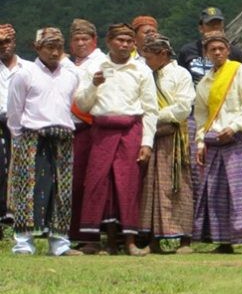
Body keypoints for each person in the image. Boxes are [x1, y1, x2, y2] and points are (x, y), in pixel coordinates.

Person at [74, 23, 158, 255]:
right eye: (120, 40)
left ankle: (130, 242)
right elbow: (82, 104)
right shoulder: (94, 68)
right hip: (101, 133)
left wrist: (147, 143)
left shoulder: (141, 70)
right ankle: (102, 242)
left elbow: (151, 109)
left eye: (129, 41)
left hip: (130, 131)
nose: (124, 44)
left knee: (127, 184)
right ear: (109, 42)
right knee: (100, 184)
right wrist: (94, 85)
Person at [193, 31, 242, 254]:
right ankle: (224, 241)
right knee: (217, 192)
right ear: (205, 54)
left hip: (236, 138)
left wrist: (234, 127)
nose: (217, 52)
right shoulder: (204, 83)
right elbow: (201, 115)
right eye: (212, 49)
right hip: (214, 140)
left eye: (221, 48)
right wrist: (200, 142)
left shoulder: (240, 71)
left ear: (227, 51)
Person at [6, 28, 80, 255]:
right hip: (32, 136)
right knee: (28, 190)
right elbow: (14, 110)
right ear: (37, 48)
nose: (55, 51)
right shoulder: (25, 74)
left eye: (58, 46)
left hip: (63, 137)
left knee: (62, 191)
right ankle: (23, 243)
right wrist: (19, 137)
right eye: (49, 46)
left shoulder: (71, 75)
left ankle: (59, 243)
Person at [138, 34, 195, 253]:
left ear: (163, 54)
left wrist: (152, 115)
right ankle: (154, 240)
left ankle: (185, 239)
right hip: (151, 137)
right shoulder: (145, 74)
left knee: (179, 185)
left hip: (174, 138)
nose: (146, 62)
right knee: (151, 187)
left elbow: (182, 107)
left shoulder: (180, 74)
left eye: (149, 57)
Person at [66, 18, 103, 245]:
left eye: (85, 39)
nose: (80, 43)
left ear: (94, 40)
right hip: (68, 128)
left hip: (89, 127)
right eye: (76, 39)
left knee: (86, 182)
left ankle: (88, 234)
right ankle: (69, 233)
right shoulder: (68, 65)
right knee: (69, 182)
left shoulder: (100, 62)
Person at [177, 7, 242, 84]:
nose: (215, 28)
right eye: (210, 24)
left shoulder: (234, 52)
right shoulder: (187, 51)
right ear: (201, 28)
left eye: (218, 24)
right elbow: (180, 78)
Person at [0, 23, 25, 228]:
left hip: (21, 126)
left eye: (7, 41)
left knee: (19, 171)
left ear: (14, 42)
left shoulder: (28, 68)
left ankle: (16, 216)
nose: (4, 46)